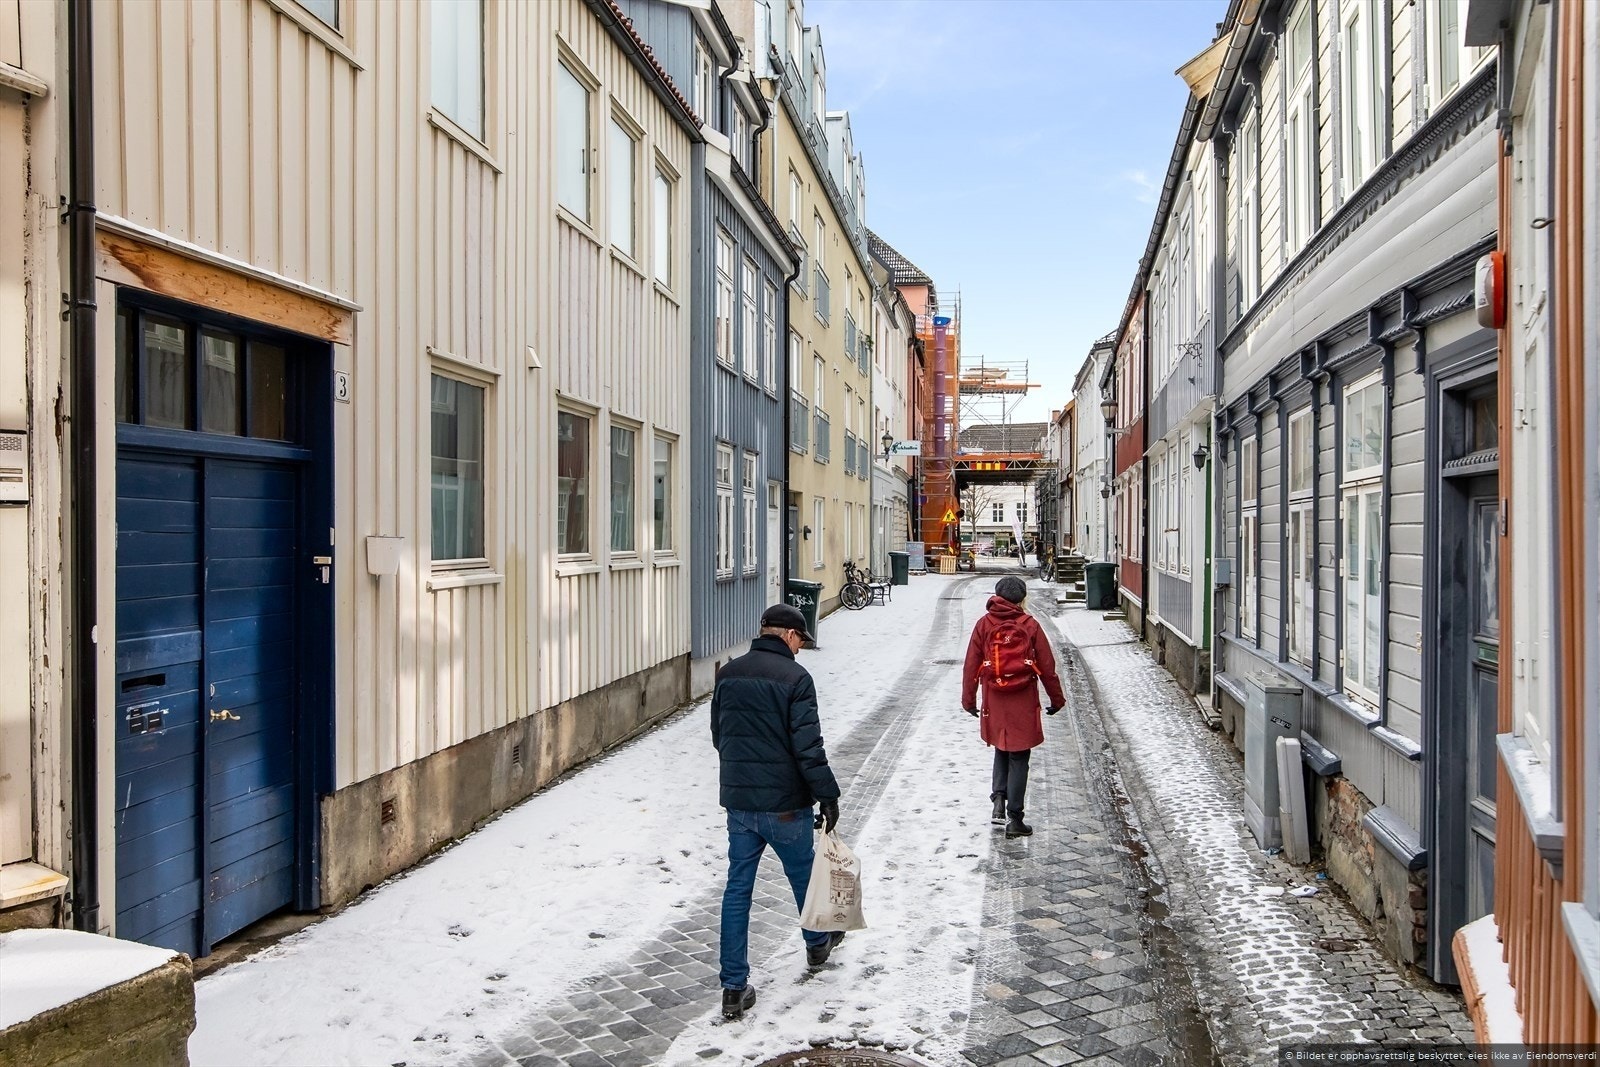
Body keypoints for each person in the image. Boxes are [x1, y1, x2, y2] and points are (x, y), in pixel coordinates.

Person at [710, 603, 844, 1021]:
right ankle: (817, 942)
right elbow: (808, 747)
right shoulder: (796, 679)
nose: (801, 649)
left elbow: (719, 735)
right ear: (788, 635)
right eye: (801, 641)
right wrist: (828, 795)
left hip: (740, 802)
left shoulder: (728, 674)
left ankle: (733, 987)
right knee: (803, 876)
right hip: (785, 804)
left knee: (737, 891)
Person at [960, 576, 1066, 838]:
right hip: (1023, 697)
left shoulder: (984, 625)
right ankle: (1015, 819)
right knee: (1019, 756)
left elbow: (971, 666)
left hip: (994, 697)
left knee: (1001, 747)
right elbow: (1048, 668)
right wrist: (1057, 699)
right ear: (1021, 598)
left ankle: (998, 799)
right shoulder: (1029, 625)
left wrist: (969, 700)